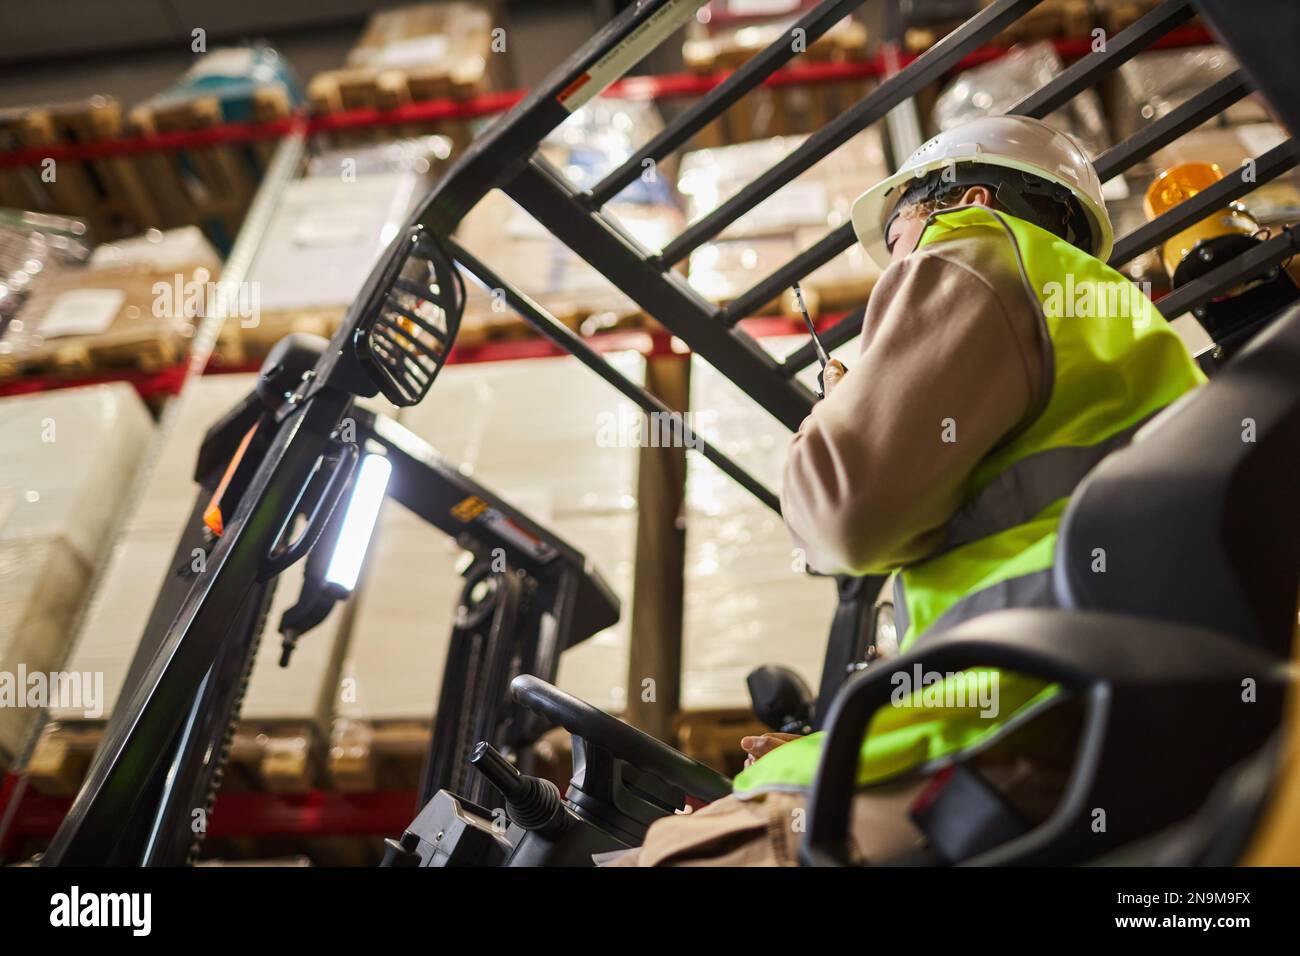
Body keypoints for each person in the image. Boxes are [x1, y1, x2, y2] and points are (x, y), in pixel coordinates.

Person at [610, 115, 1206, 866]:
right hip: (1090, 718)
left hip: (1018, 733)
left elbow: (841, 520)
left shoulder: (973, 247)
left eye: (896, 233)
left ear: (962, 198)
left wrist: (832, 417)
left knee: (661, 854)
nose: (896, 262)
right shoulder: (1123, 325)